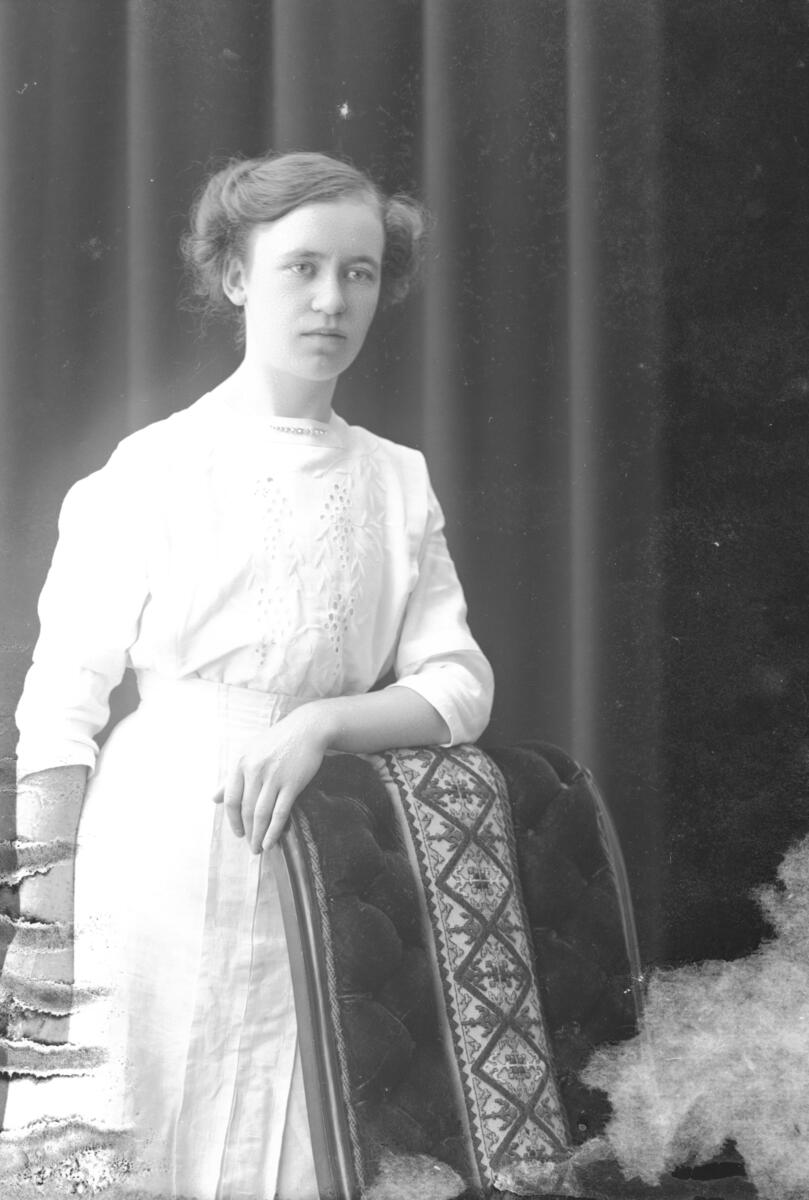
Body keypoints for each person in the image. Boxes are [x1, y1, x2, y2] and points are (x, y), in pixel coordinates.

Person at [5, 150, 494, 1199]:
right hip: (152, 866)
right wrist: (45, 929)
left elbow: (457, 686)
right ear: (235, 276)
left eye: (359, 272)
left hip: (321, 866)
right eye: (300, 268)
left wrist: (322, 725)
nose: (331, 300)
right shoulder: (150, 469)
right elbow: (58, 708)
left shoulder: (396, 481)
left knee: (292, 1144)